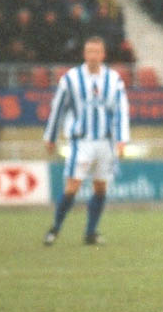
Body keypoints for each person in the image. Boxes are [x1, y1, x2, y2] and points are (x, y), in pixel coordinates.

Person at [43, 36, 130, 246]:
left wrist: (122, 139)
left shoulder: (114, 79)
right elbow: (58, 109)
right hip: (81, 142)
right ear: (84, 54)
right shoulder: (71, 79)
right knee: (72, 186)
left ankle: (90, 232)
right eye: (89, 51)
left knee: (100, 188)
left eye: (96, 52)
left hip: (105, 142)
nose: (93, 56)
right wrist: (51, 136)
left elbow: (121, 110)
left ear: (103, 54)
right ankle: (55, 228)